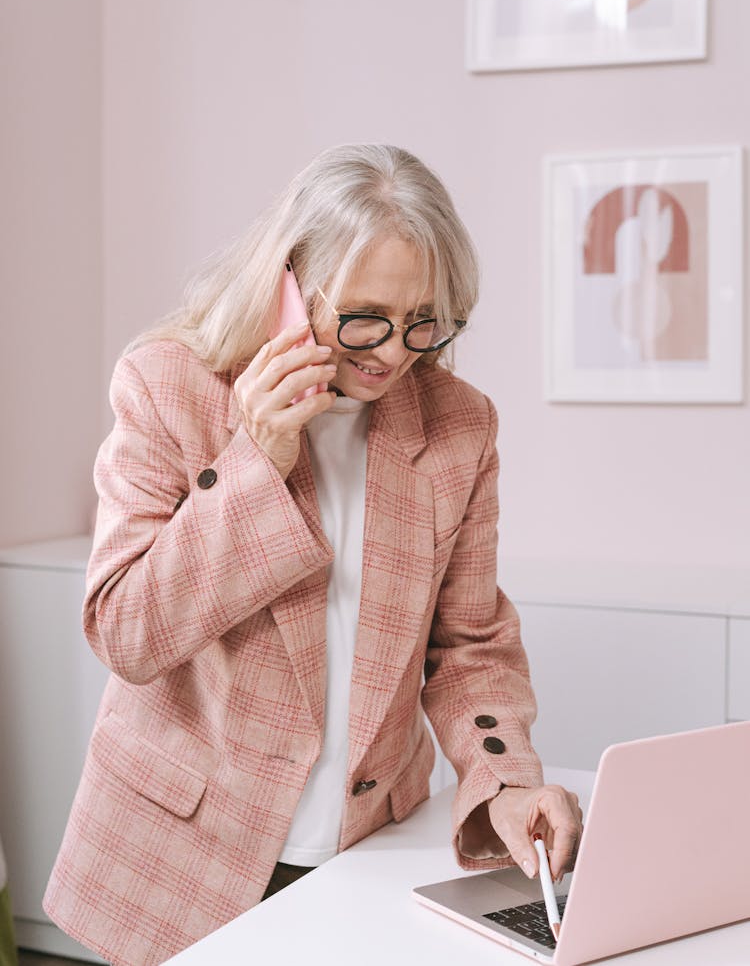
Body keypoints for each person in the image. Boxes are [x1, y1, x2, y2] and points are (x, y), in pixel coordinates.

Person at [44, 144, 582, 966]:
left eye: (424, 322)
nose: (393, 352)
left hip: (364, 852)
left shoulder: (459, 425)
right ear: (290, 281)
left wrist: (504, 782)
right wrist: (254, 460)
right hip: (184, 854)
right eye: (363, 315)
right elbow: (127, 632)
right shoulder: (169, 385)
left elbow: (469, 645)